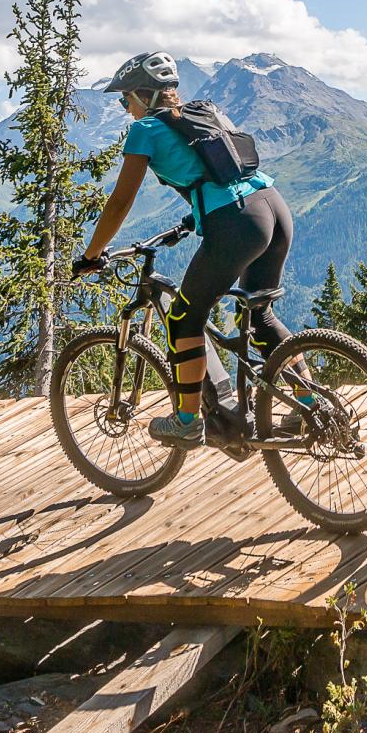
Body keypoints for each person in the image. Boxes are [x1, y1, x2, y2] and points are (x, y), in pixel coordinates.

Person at [72, 52, 296, 447]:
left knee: (181, 320)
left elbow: (121, 202)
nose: (125, 108)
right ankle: (310, 405)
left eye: (126, 99)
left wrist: (92, 254)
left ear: (144, 95)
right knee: (260, 317)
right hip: (272, 207)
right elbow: (222, 173)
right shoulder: (203, 113)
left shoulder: (145, 129)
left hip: (238, 223)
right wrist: (195, 219)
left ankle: (188, 421)